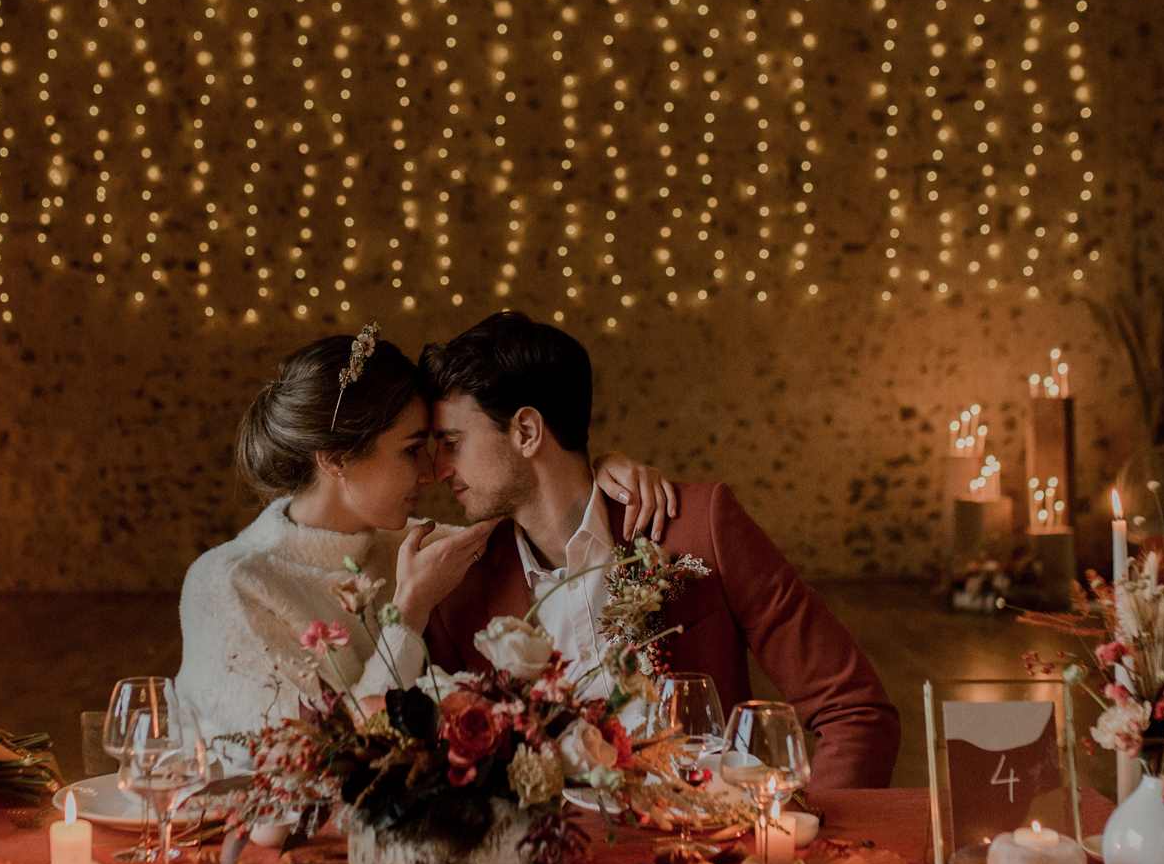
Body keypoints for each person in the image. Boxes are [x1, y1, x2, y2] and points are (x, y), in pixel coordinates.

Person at [420, 311, 900, 790]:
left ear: (526, 431)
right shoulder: (458, 587)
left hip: (714, 850)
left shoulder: (700, 527)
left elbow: (854, 711)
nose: (440, 469)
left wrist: (800, 842)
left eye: (452, 443)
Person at [175, 325, 678, 742]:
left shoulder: (419, 546)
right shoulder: (230, 584)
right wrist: (407, 615)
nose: (432, 471)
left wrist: (603, 472)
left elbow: (541, 508)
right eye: (412, 449)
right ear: (335, 459)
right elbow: (314, 762)